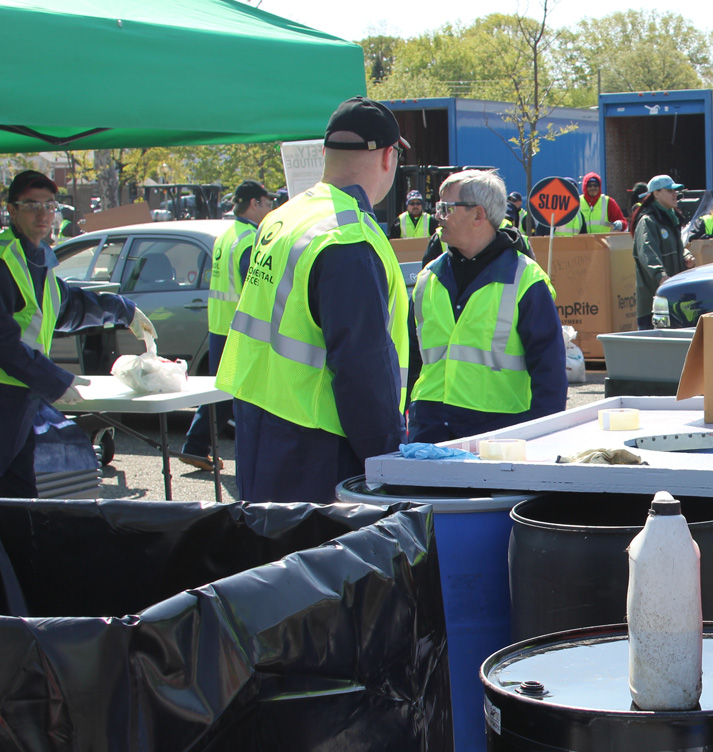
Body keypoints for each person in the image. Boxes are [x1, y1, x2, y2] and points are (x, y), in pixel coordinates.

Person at [216, 96, 410, 503]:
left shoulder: (285, 216)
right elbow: (362, 368)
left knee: (272, 560)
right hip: (318, 446)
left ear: (324, 152)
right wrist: (387, 462)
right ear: (389, 157)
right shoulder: (348, 236)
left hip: (260, 426)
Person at [0, 170, 156, 497]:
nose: (43, 214)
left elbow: (67, 305)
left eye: (50, 205)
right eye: (31, 205)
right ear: (11, 210)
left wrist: (121, 310)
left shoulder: (36, 258)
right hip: (8, 394)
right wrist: (54, 379)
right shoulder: (6, 260)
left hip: (24, 395)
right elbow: (3, 343)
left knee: (22, 499)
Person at [406, 170, 567, 442]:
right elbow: (409, 361)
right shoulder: (427, 278)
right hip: (429, 431)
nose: (437, 216)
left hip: (498, 436)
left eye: (446, 208)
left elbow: (549, 374)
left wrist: (542, 443)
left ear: (478, 215)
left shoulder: (526, 280)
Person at [179, 179, 276, 470]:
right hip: (240, 326)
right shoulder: (249, 238)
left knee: (223, 392)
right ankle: (203, 448)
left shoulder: (226, 234)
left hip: (220, 324)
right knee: (242, 393)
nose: (270, 208)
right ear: (254, 203)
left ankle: (195, 446)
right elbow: (255, 282)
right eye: (267, 203)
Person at [633, 174, 695, 330]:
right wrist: (662, 277)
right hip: (654, 304)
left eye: (676, 191)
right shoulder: (648, 221)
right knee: (654, 348)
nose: (675, 194)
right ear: (656, 193)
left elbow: (677, 248)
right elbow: (647, 252)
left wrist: (685, 256)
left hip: (673, 300)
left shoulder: (670, 219)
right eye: (670, 190)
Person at [555, 172, 625, 235]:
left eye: (596, 185)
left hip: (603, 245)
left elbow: (623, 222)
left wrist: (620, 224)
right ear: (585, 187)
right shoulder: (576, 201)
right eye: (590, 185)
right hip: (582, 244)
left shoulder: (608, 202)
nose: (593, 188)